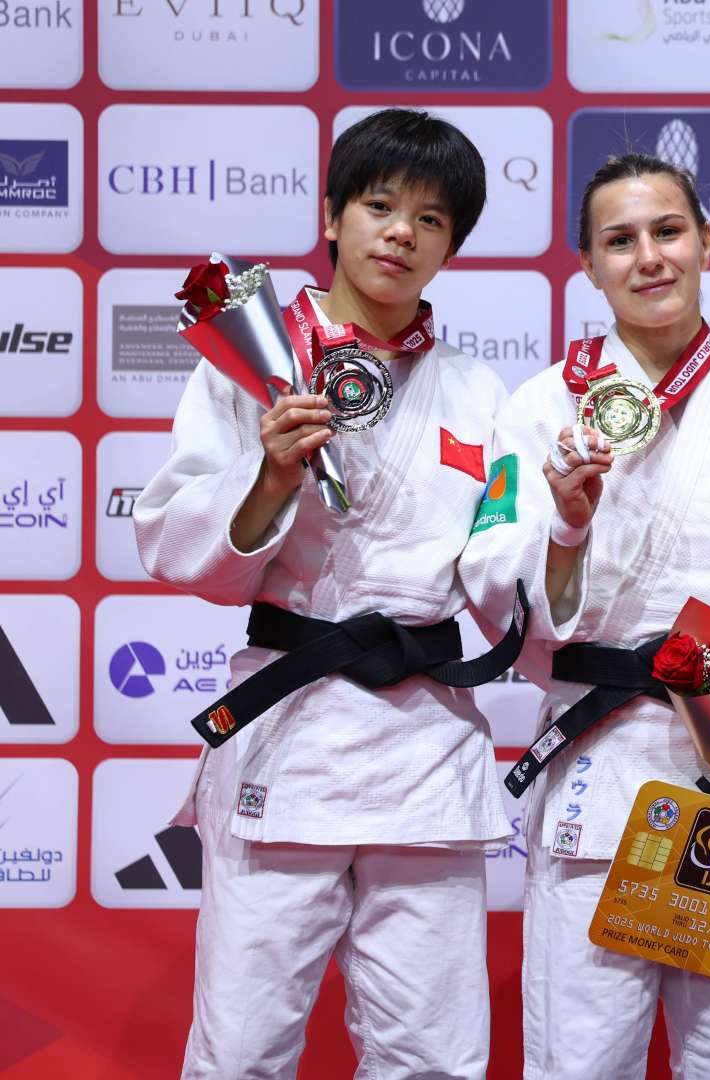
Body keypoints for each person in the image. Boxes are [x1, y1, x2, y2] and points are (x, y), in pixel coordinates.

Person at [457, 153, 710, 1080]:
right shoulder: (541, 409)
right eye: (620, 240)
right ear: (587, 265)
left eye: (668, 231)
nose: (648, 257)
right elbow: (488, 584)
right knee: (578, 1062)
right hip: (602, 769)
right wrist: (567, 528)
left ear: (706, 242)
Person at [134, 108, 515, 1079]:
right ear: (334, 216)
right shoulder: (254, 363)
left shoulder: (479, 392)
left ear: (452, 247)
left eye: (431, 219)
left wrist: (564, 535)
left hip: (425, 749)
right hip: (291, 736)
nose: (401, 233)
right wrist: (269, 476)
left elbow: (500, 575)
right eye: (380, 206)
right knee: (242, 1050)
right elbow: (176, 550)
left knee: (434, 1056)